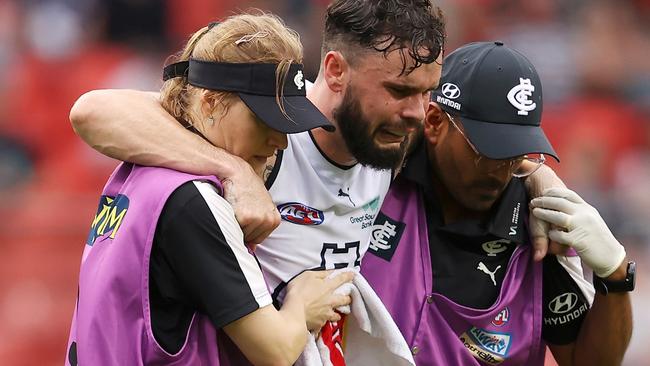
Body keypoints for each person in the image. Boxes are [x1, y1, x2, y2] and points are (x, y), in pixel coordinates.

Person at [68, 1, 563, 363]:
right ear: (335, 70)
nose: (416, 111)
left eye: (426, 92)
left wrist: (543, 182)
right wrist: (234, 170)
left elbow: (483, 155)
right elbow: (92, 111)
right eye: (397, 90)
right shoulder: (260, 131)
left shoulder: (391, 138)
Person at [65, 13, 354, 366]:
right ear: (210, 102)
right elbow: (275, 349)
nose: (280, 141)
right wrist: (303, 303)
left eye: (286, 123)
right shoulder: (197, 201)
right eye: (264, 119)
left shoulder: (138, 171)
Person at [361, 41, 634, 365]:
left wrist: (615, 274)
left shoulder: (541, 223)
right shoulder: (378, 173)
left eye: (515, 152)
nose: (501, 171)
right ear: (434, 123)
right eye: (488, 151)